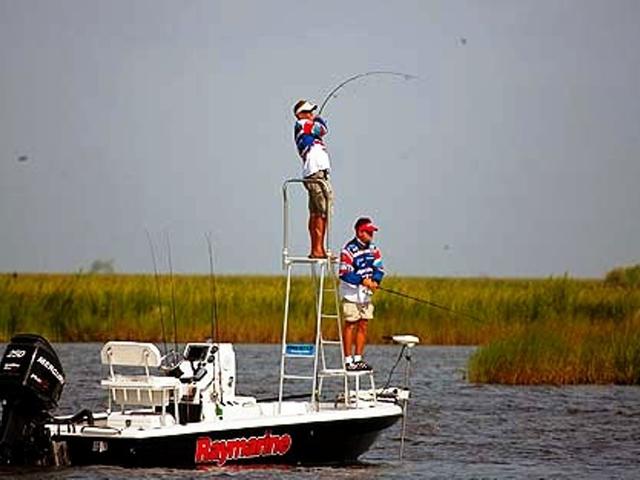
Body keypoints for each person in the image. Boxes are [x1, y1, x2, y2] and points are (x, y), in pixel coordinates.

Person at [339, 217, 384, 371]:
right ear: (360, 232)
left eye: (372, 232)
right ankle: (348, 360)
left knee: (363, 324)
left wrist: (376, 281)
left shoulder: (374, 249)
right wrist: (362, 280)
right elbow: (344, 273)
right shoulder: (348, 250)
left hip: (366, 295)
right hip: (351, 294)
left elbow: (379, 268)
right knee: (351, 323)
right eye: (369, 232)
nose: (372, 235)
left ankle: (358, 358)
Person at [292, 99, 333, 258]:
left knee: (316, 212)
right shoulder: (302, 124)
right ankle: (319, 249)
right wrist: (319, 119)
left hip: (316, 171)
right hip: (315, 170)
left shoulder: (305, 127)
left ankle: (317, 249)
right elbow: (322, 129)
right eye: (308, 112)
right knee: (325, 210)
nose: (311, 114)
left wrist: (316, 119)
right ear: (299, 114)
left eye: (312, 112)